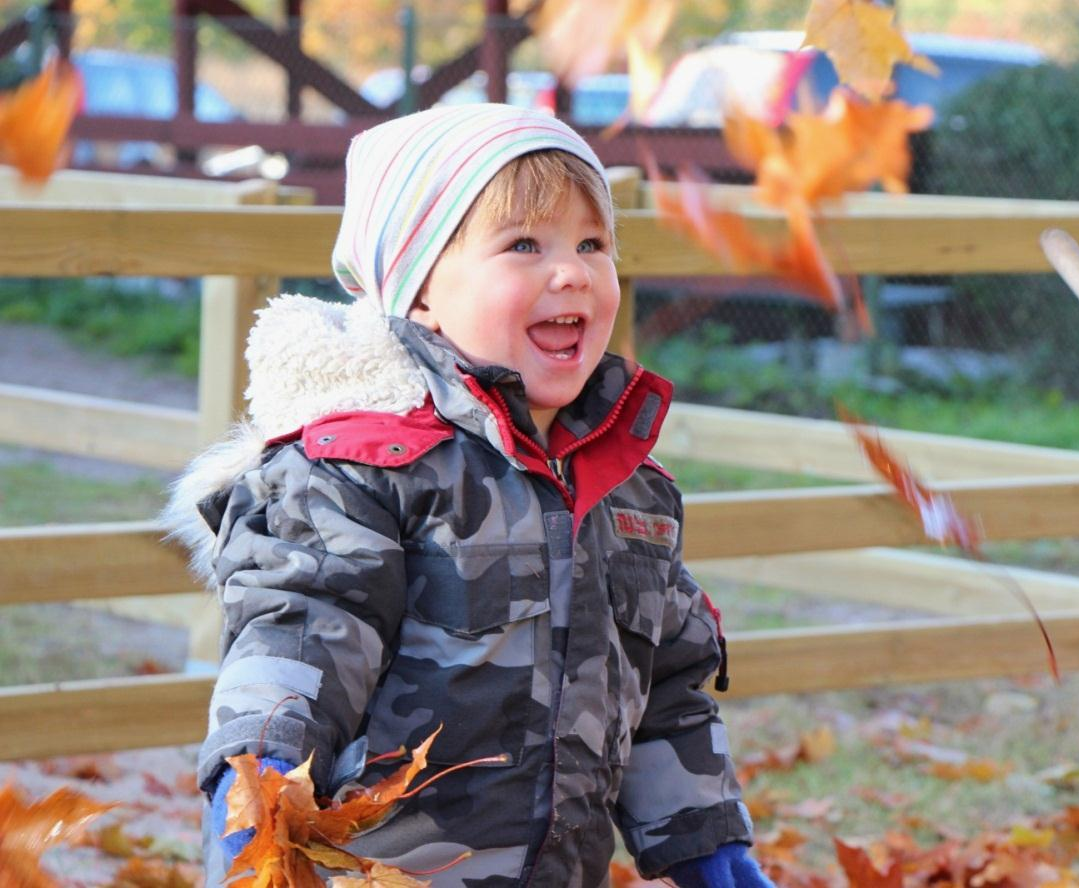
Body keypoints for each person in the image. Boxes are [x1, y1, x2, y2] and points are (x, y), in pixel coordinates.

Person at [164, 103, 771, 888]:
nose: (571, 271)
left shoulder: (628, 489)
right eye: (524, 244)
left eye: (592, 244)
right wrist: (261, 772)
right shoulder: (361, 471)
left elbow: (666, 695)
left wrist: (706, 845)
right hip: (365, 874)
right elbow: (303, 630)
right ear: (419, 294)